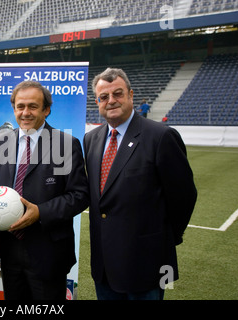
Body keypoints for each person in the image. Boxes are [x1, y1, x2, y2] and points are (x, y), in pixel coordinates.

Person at [83, 68, 197, 300]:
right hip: (104, 264)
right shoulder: (91, 139)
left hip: (146, 261)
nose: (111, 101)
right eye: (104, 97)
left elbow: (184, 197)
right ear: (97, 102)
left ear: (131, 95)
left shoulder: (161, 136)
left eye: (118, 94)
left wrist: (164, 238)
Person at [0, 80, 89, 300]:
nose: (25, 112)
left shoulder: (66, 144)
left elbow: (79, 195)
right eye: (20, 106)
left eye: (32, 106)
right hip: (9, 248)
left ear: (46, 110)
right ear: (14, 109)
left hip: (48, 251)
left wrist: (40, 212)